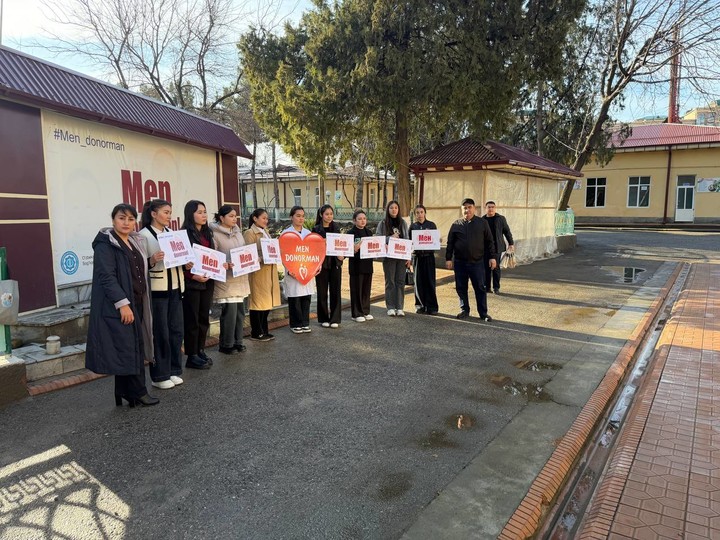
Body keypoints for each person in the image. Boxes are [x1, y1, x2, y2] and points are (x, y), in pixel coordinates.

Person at [86, 203, 159, 407]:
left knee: (129, 346)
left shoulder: (135, 241)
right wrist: (122, 304)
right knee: (130, 348)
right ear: (113, 220)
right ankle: (138, 392)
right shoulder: (105, 244)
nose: (126, 223)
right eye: (121, 218)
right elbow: (106, 277)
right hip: (119, 305)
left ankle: (122, 390)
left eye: (130, 219)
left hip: (138, 301)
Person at [139, 199, 185, 390]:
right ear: (153, 214)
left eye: (170, 212)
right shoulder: (143, 235)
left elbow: (180, 257)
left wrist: (187, 261)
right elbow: (138, 265)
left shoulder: (172, 234)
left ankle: (174, 370)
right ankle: (159, 375)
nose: (169, 216)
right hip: (157, 290)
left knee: (176, 331)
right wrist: (151, 260)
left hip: (176, 286)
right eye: (166, 212)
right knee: (160, 333)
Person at [445, 198, 497, 322]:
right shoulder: (456, 224)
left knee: (480, 287)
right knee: (461, 287)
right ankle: (464, 310)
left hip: (477, 263)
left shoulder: (482, 223)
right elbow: (450, 243)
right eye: (465, 208)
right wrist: (448, 258)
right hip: (460, 263)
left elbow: (490, 241)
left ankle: (483, 313)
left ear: (474, 208)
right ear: (461, 209)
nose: (467, 210)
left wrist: (492, 257)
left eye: (469, 207)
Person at [210, 205, 250, 354]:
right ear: (221, 218)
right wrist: (225, 263)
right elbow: (212, 256)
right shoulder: (214, 234)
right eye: (231, 216)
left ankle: (238, 341)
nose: (234, 219)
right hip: (226, 280)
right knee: (229, 315)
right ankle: (226, 344)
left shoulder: (238, 233)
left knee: (240, 313)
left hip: (241, 279)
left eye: (235, 216)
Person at [182, 200, 215, 369]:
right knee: (192, 320)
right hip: (192, 283)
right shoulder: (184, 234)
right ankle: (192, 355)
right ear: (191, 214)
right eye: (199, 212)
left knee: (203, 318)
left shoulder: (207, 233)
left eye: (205, 212)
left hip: (208, 281)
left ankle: (200, 350)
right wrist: (192, 275)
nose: (204, 215)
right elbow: (180, 262)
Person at [243, 208, 281, 341]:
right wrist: (261, 258)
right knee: (257, 303)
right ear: (255, 218)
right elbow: (248, 253)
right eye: (263, 218)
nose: (266, 221)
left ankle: (264, 330)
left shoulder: (266, 232)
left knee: (266, 303)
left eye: (267, 218)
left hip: (269, 271)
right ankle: (256, 331)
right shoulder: (249, 233)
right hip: (258, 273)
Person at [282, 206, 316, 333]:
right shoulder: (286, 234)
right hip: (293, 271)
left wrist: (315, 268)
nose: (301, 218)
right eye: (298, 216)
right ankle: (295, 324)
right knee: (295, 297)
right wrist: (289, 269)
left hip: (307, 270)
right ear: (291, 217)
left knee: (306, 297)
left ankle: (305, 322)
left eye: (303, 216)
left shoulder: (308, 234)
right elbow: (283, 253)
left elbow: (314, 253)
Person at [375, 200, 411, 317]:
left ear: (398, 209)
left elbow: (407, 239)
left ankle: (399, 307)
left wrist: (408, 256)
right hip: (389, 257)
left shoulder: (403, 223)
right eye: (391, 208)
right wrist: (390, 238)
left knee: (400, 282)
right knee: (390, 282)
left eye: (396, 208)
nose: (394, 210)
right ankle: (390, 307)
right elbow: (378, 238)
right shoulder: (383, 223)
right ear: (388, 210)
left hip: (401, 256)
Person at [312, 205, 343, 328]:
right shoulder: (316, 229)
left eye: (331, 214)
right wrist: (321, 243)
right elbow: (312, 247)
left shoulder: (336, 228)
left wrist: (342, 256)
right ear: (321, 215)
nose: (329, 216)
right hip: (321, 264)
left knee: (335, 291)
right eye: (327, 214)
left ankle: (335, 319)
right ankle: (323, 318)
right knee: (322, 292)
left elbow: (342, 245)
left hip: (335, 263)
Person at [409, 204, 439, 315]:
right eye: (417, 213)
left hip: (429, 257)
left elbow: (435, 240)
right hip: (417, 258)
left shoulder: (431, 225)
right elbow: (409, 242)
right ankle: (420, 306)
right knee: (418, 282)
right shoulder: (412, 227)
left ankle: (432, 307)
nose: (420, 214)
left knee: (430, 282)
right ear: (415, 215)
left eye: (421, 212)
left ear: (425, 213)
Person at [481, 200, 514, 295]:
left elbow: (507, 231)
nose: (491, 209)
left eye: (492, 207)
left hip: (497, 247)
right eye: (489, 207)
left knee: (495, 267)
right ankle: (487, 287)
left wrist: (511, 243)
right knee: (486, 268)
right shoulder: (482, 220)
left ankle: (496, 287)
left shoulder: (500, 219)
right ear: (485, 208)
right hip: (485, 247)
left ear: (495, 208)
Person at [348, 209, 374, 322]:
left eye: (364, 218)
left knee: (366, 290)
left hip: (368, 265)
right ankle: (356, 314)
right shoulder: (350, 233)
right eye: (359, 219)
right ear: (354, 220)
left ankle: (365, 311)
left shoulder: (369, 233)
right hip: (356, 266)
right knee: (356, 290)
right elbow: (346, 250)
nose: (362, 221)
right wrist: (353, 249)